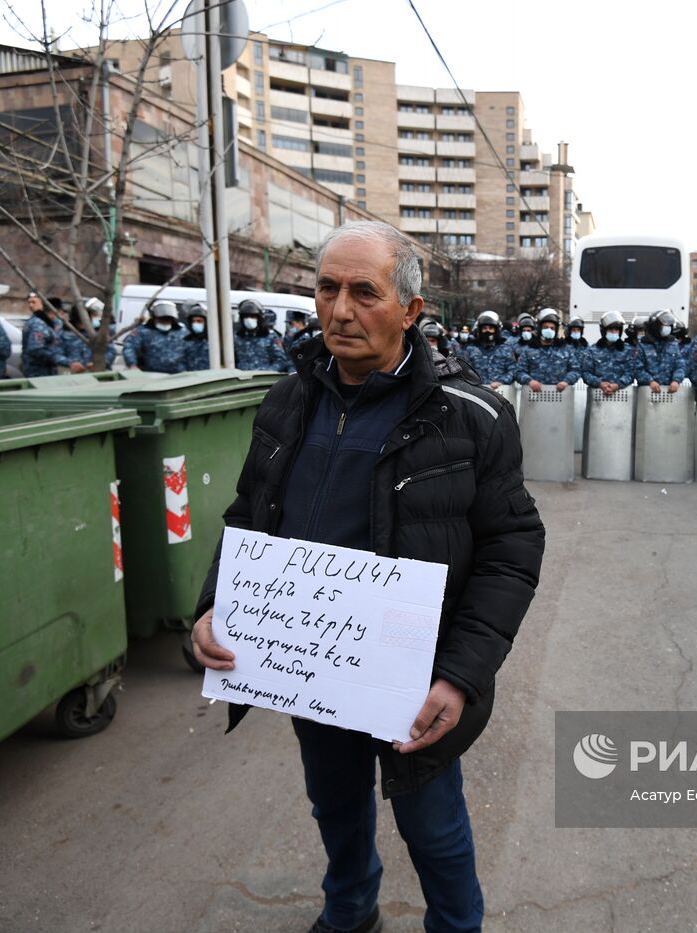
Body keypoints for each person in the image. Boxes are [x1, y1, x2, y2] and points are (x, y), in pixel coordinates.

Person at [191, 220, 544, 933]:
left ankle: (456, 925)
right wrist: (211, 609)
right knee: (335, 802)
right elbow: (248, 517)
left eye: (364, 292)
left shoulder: (471, 416)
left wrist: (461, 673)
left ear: (411, 310)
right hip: (314, 668)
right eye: (326, 288)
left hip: (416, 677)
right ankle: (350, 910)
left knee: (432, 823)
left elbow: (512, 544)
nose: (340, 310)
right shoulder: (288, 402)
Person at [21, 294, 86, 377]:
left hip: (46, 371)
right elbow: (36, 350)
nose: (62, 316)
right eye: (61, 313)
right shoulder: (39, 325)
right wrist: (65, 361)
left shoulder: (48, 323)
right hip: (38, 373)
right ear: (55, 311)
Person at [516, 308, 579, 393]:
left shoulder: (565, 349)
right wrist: (530, 381)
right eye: (546, 327)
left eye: (552, 328)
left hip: (560, 397)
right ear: (540, 328)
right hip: (534, 397)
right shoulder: (529, 349)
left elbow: (575, 370)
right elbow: (519, 371)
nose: (549, 330)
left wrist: (566, 381)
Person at [123, 299, 187, 373]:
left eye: (168, 319)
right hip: (151, 374)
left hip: (178, 375)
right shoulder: (143, 331)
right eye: (162, 319)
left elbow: (192, 349)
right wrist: (132, 365)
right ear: (154, 318)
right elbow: (129, 347)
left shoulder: (182, 332)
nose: (165, 322)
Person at [582, 310, 636, 396]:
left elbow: (630, 373)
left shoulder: (628, 350)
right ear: (604, 330)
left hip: (622, 397)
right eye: (610, 329)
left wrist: (618, 385)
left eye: (616, 329)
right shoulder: (592, 351)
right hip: (597, 398)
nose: (614, 332)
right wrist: (600, 383)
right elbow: (586, 373)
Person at [633, 309, 686, 393]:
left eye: (668, 325)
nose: (666, 328)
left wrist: (676, 380)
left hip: (669, 392)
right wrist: (650, 381)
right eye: (663, 325)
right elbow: (637, 369)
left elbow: (680, 365)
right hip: (648, 392)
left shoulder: (673, 344)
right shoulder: (643, 345)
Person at [462, 310, 516, 390]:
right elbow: (465, 371)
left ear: (496, 330)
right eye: (484, 328)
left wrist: (501, 381)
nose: (487, 331)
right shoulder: (471, 349)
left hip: (500, 392)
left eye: (491, 328)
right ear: (480, 330)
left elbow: (513, 370)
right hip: (477, 392)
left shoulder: (505, 349)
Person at [234, 298, 289, 372]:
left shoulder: (270, 337)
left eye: (252, 317)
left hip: (262, 380)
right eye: (246, 317)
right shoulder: (238, 337)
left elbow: (281, 360)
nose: (249, 319)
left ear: (259, 318)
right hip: (242, 379)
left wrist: (268, 373)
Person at [182, 304, 211, 372]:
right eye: (193, 321)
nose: (195, 324)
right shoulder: (185, 341)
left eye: (199, 321)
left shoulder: (214, 341)